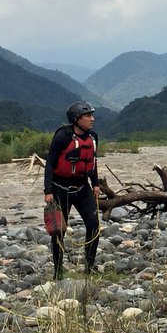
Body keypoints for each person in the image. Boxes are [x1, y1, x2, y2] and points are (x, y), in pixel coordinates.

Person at [44, 101, 102, 277]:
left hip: (83, 187)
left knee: (94, 225)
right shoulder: (62, 136)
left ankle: (89, 267)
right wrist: (48, 191)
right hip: (60, 188)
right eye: (88, 116)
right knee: (59, 230)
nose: (92, 119)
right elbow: (50, 163)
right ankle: (58, 271)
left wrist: (96, 183)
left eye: (92, 115)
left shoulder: (93, 137)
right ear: (77, 119)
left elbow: (92, 161)